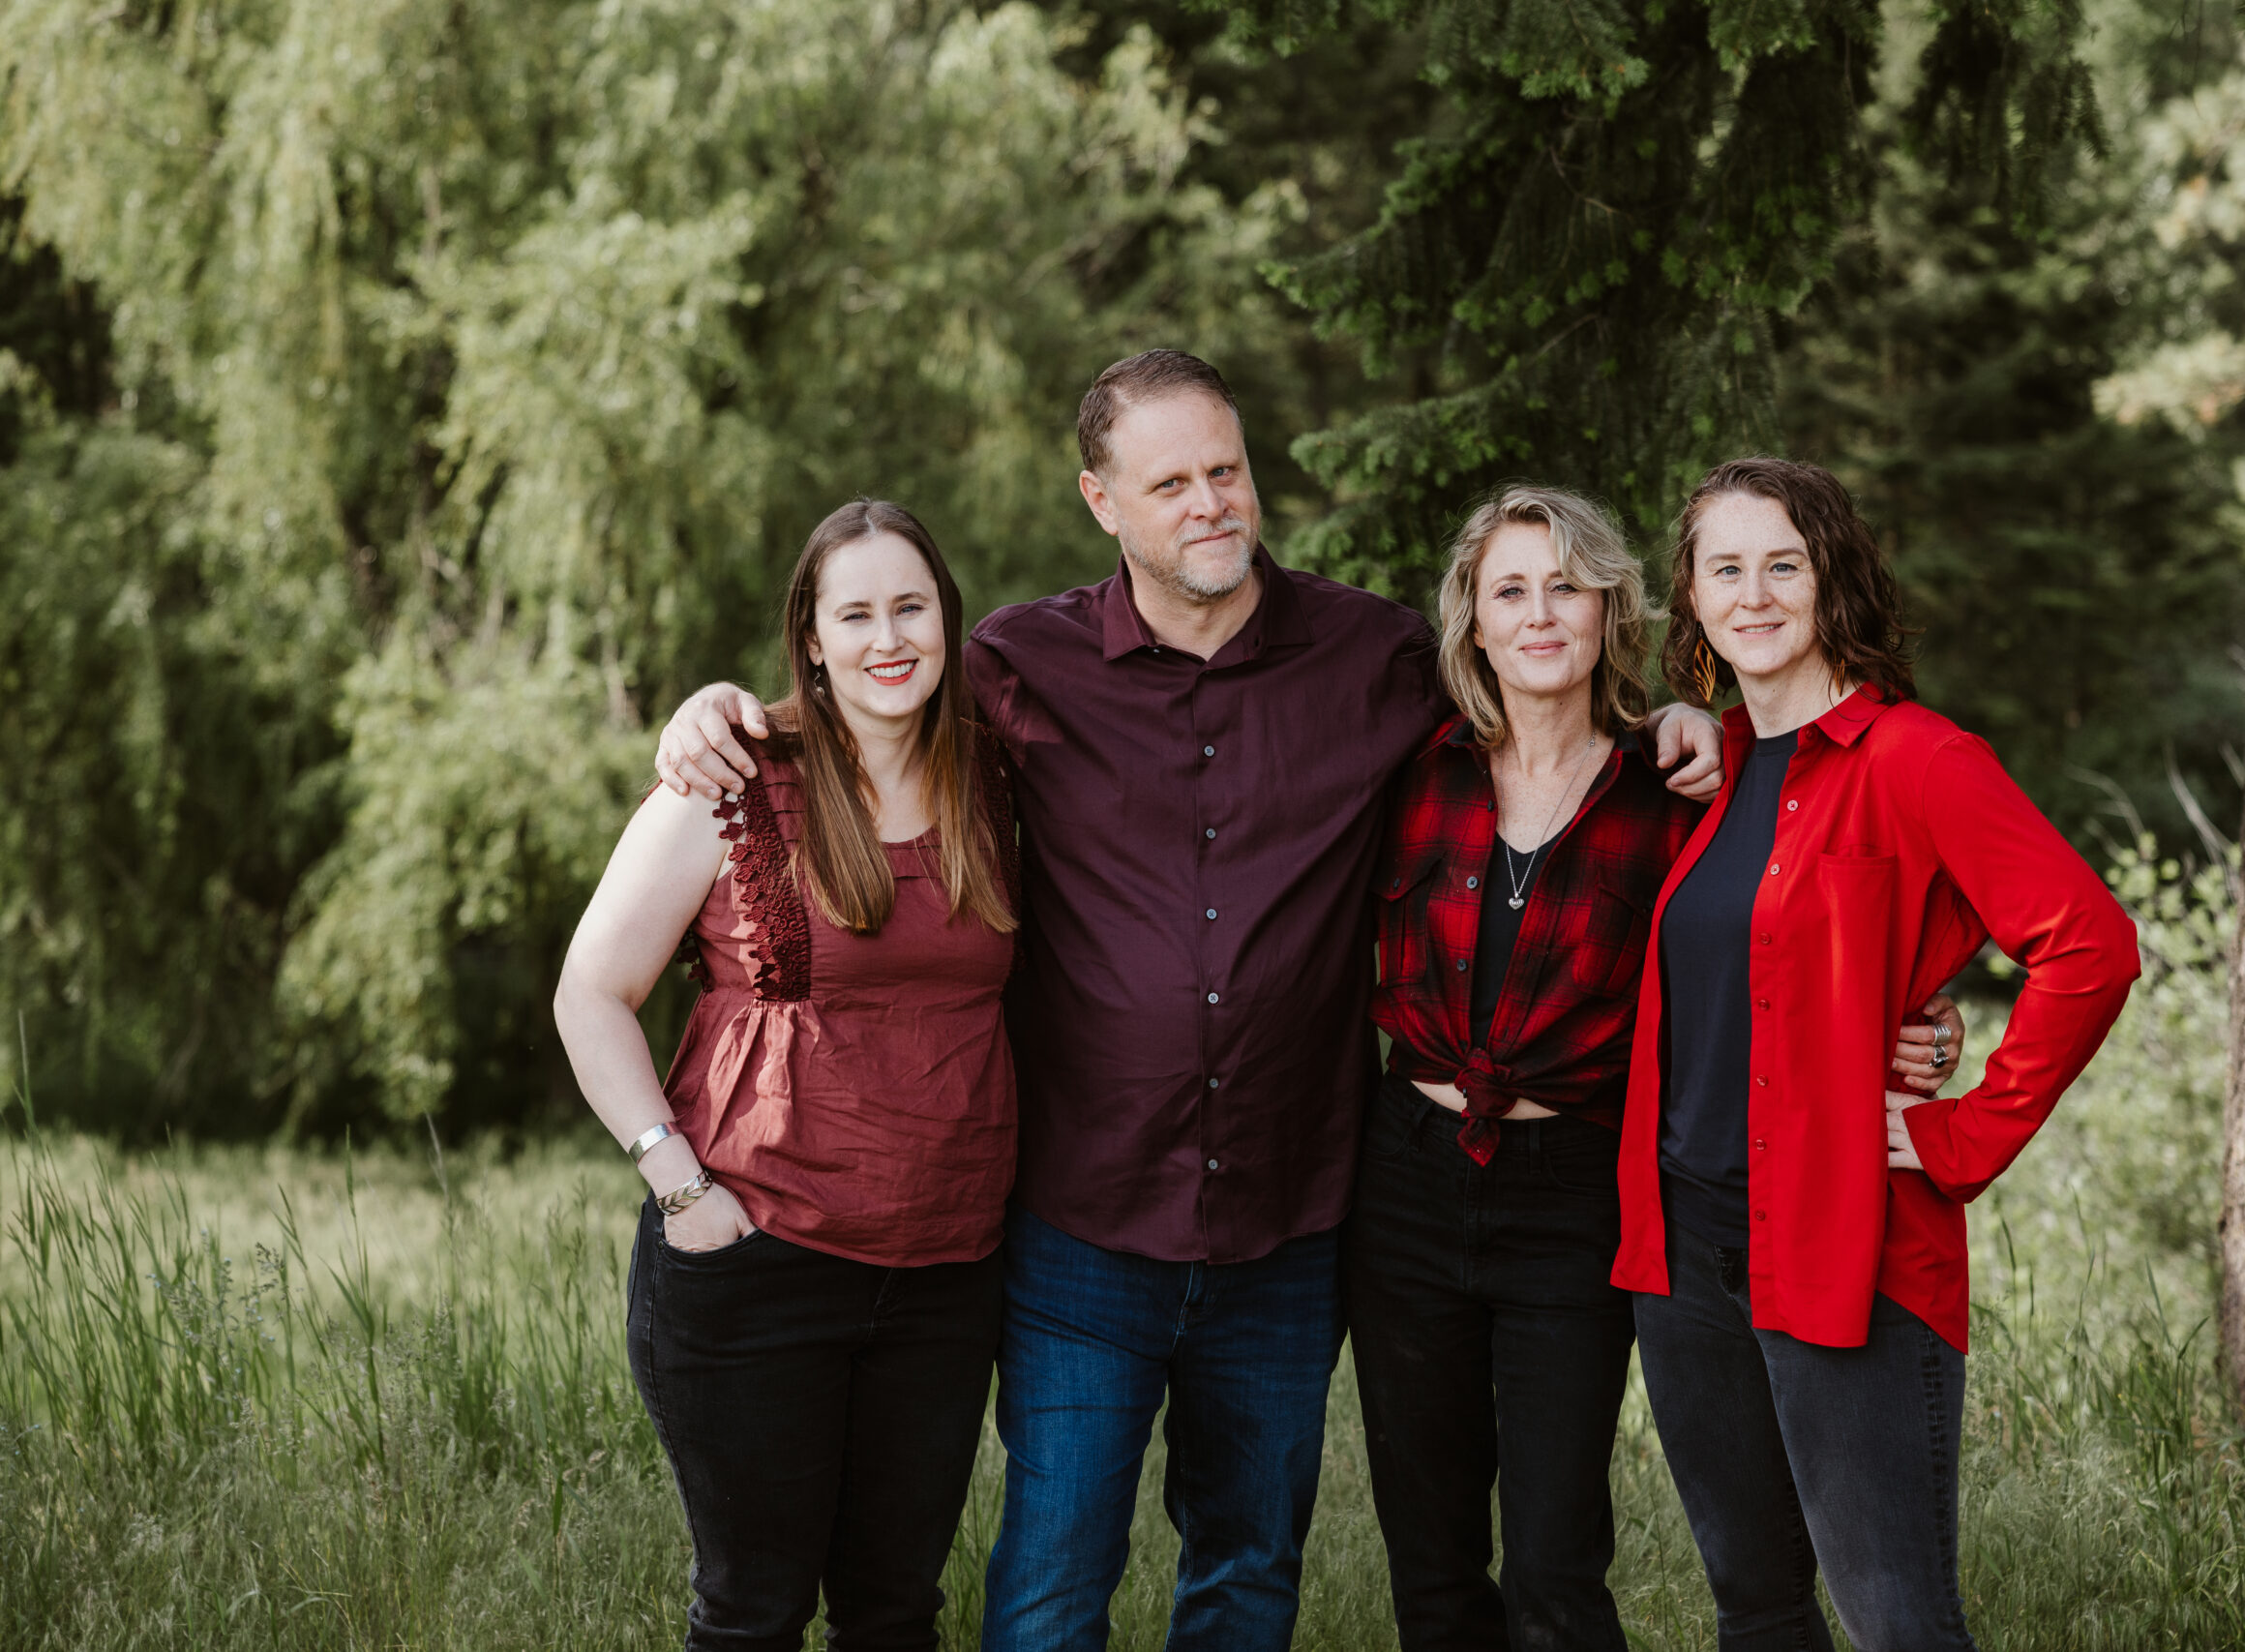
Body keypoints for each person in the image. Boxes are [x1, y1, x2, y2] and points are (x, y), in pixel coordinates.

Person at [651, 351, 1727, 1652]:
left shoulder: (1374, 655)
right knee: (1048, 1586)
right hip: (1081, 1223)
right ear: (1102, 499)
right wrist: (724, 712)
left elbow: (1538, 698)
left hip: (1290, 1223)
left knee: (1245, 1573)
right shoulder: (1015, 665)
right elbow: (878, 708)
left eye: (1227, 469)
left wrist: (1682, 717)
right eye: (1171, 481)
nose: (1211, 501)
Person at [1351, 483, 1966, 1652]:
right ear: (1470, 623)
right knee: (1428, 1552)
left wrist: (1915, 1017)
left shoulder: (1685, 786)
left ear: (1611, 613)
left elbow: (1780, 942)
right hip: (1408, 1179)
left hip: (1577, 1184)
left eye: (1566, 589)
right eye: (1509, 592)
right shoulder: (1411, 773)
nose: (1539, 616)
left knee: (1553, 1555)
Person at [1616, 457, 2141, 1652]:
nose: (1754, 594)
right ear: (1690, 598)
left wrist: (1963, 1129)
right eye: (1724, 568)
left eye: (1783, 565)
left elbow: (2091, 949)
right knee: (1754, 1611)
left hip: (1847, 1247)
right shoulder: (1702, 767)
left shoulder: (1916, 759)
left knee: (1898, 1624)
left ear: (1830, 579)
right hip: (1688, 1259)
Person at [554, 498, 1021, 1652]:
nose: (887, 637)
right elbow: (589, 995)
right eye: (852, 613)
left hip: (947, 1270)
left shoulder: (996, 780)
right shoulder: (727, 780)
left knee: (895, 1611)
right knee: (755, 1611)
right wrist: (680, 1190)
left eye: (910, 606)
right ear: (809, 639)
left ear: (948, 622)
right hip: (758, 1254)